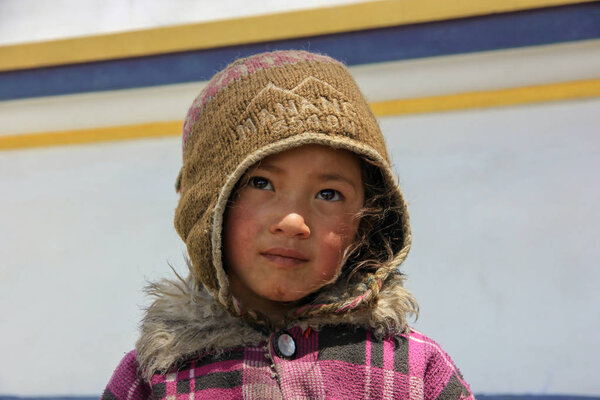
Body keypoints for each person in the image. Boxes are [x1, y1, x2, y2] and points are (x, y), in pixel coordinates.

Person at [102, 50, 473, 399]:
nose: (294, 222)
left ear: (365, 224)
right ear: (205, 209)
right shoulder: (156, 376)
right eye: (261, 183)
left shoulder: (414, 369)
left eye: (329, 194)